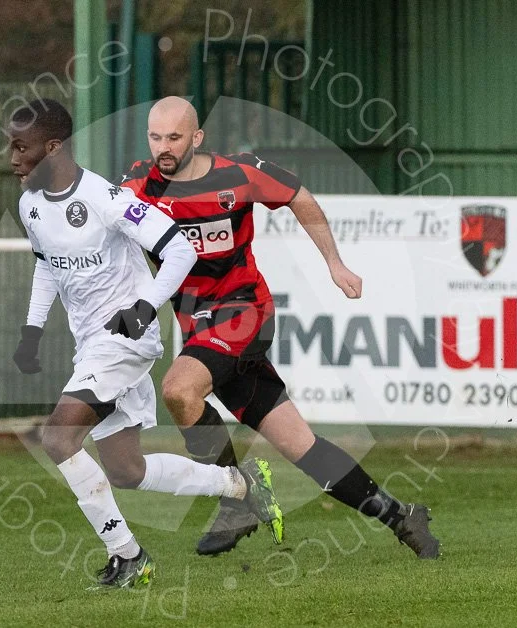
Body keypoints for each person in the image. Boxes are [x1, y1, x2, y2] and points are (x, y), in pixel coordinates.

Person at [118, 96, 440, 559]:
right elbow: (98, 221)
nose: (163, 147)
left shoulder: (239, 174)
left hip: (244, 312)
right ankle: (403, 517)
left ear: (197, 138)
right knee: (301, 446)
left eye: (174, 137)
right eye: (155, 137)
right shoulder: (135, 185)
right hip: (200, 327)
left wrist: (335, 263)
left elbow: (299, 197)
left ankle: (238, 500)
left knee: (179, 389)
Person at [6, 98, 283, 588]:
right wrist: (32, 329)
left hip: (124, 342)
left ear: (52, 149)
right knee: (125, 470)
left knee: (57, 437)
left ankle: (129, 556)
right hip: (90, 344)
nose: (11, 156)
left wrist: (144, 306)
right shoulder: (29, 204)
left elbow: (176, 246)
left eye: (20, 146)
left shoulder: (104, 197)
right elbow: (47, 265)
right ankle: (240, 483)